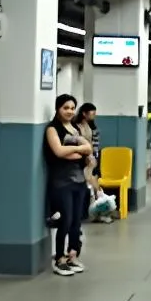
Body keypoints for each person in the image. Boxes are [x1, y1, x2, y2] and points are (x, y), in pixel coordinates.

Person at [44, 94, 93, 276]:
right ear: (58, 109)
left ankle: (72, 255)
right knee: (65, 220)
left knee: (76, 221)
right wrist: (77, 150)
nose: (70, 111)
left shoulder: (74, 129)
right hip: (61, 181)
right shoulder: (52, 129)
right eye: (66, 108)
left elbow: (87, 149)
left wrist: (73, 151)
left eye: (72, 108)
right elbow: (58, 151)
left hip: (79, 181)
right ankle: (59, 259)